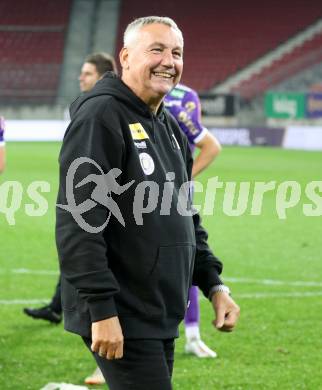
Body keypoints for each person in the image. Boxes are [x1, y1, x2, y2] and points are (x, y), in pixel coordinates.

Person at [60, 16, 240, 390]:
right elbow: (80, 223)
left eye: (177, 53)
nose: (168, 61)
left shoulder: (169, 125)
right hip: (122, 311)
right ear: (125, 56)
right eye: (156, 49)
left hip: (157, 310)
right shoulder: (101, 117)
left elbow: (185, 214)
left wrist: (214, 284)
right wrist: (102, 310)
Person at [165, 85, 222, 358]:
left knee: (187, 261)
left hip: (174, 196)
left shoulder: (181, 101)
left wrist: (183, 177)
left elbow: (210, 147)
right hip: (137, 193)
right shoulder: (130, 97)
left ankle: (192, 336)